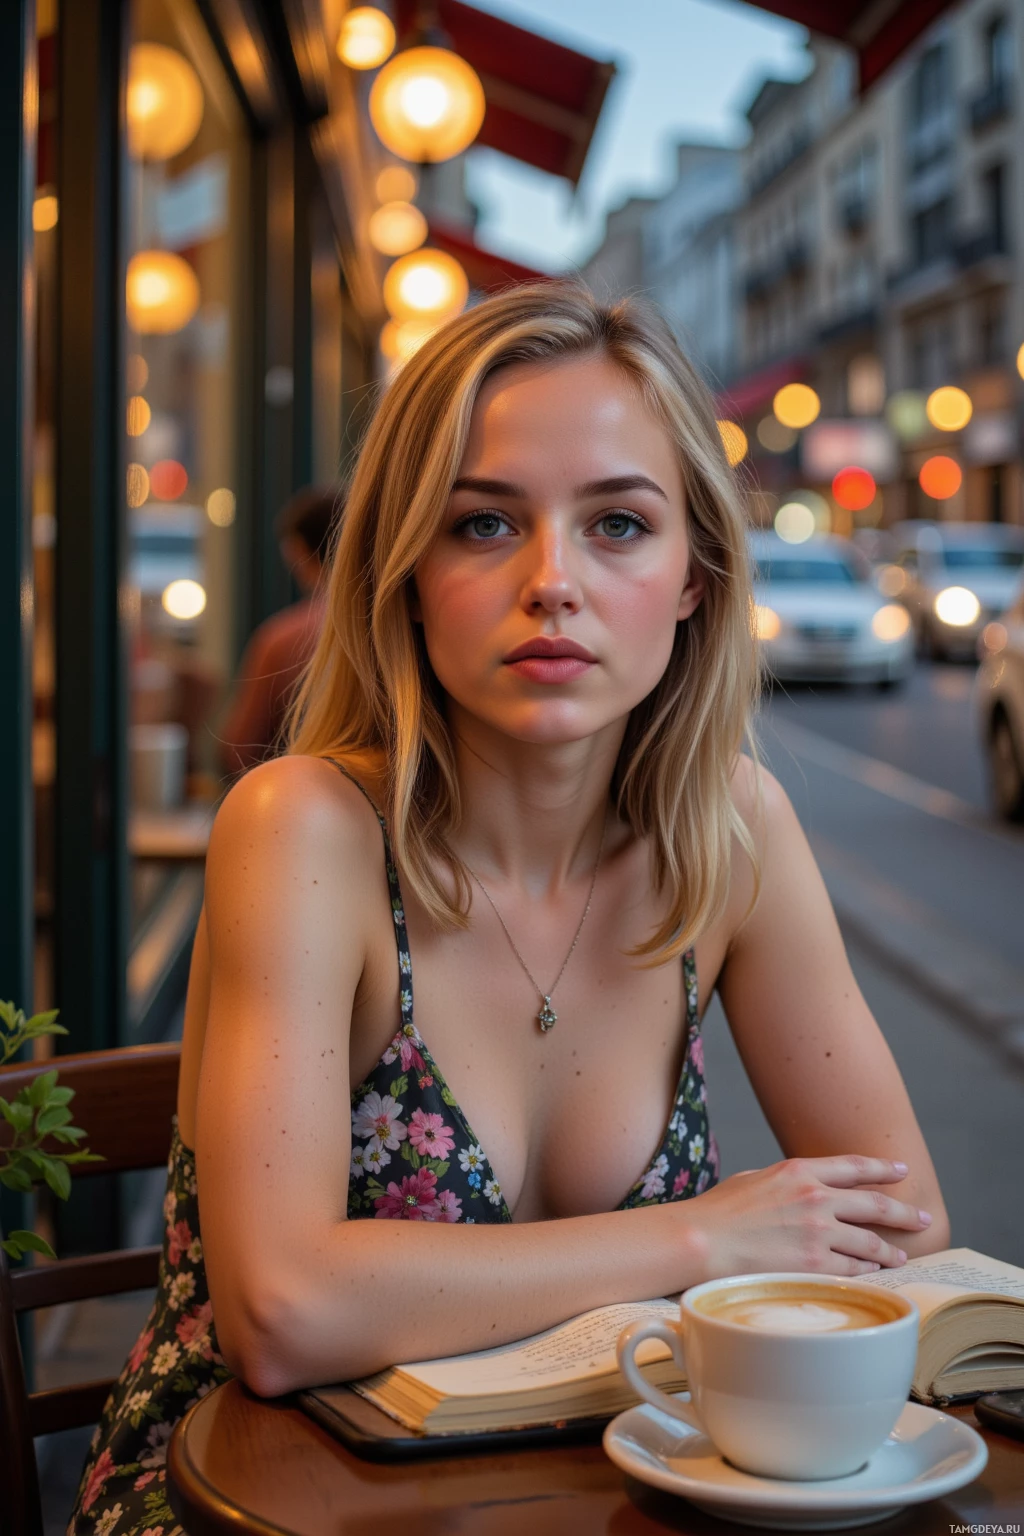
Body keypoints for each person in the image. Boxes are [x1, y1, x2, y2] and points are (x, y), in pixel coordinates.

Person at [70, 285, 949, 1534]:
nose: (553, 582)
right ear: (407, 573)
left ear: (695, 576)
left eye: (617, 525)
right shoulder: (303, 828)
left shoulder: (733, 828)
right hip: (257, 1502)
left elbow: (902, 1219)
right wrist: (705, 1241)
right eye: (484, 524)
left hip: (602, 1496)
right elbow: (283, 1314)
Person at [218, 485, 341, 774]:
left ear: (299, 551)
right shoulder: (401, 629)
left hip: (303, 799)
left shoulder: (285, 638)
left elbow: (241, 748)